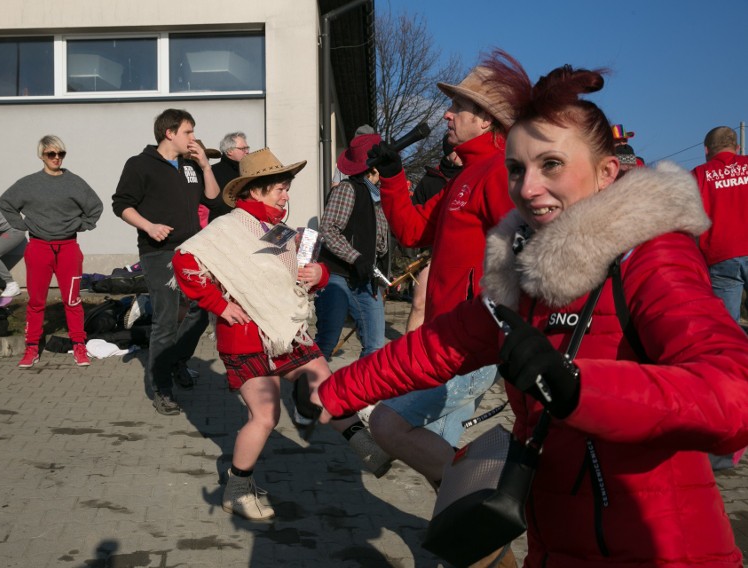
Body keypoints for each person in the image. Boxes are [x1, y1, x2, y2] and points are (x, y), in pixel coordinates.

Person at [315, 51, 748, 567]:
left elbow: (732, 392)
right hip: (552, 545)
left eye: (552, 165)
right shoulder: (523, 271)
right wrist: (333, 391)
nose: (528, 187)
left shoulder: (649, 257)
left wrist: (581, 388)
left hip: (660, 548)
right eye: (517, 169)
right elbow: (443, 343)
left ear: (607, 171)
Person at [172, 148, 390, 520]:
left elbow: (297, 273)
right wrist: (220, 305)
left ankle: (366, 444)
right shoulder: (227, 228)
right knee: (266, 416)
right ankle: (237, 489)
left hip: (286, 331)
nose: (286, 195)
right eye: (279, 189)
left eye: (286, 188)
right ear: (255, 191)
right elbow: (184, 259)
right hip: (244, 337)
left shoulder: (275, 230)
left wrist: (318, 275)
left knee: (327, 386)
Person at [363, 65, 516, 487]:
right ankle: (480, 542)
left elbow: (529, 257)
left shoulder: (499, 173)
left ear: (485, 120)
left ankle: (488, 510)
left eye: (457, 107)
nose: (447, 115)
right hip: (449, 341)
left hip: (470, 345)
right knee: (438, 456)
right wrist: (393, 176)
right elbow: (413, 232)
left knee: (390, 424)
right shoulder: (463, 177)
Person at [112, 109, 219, 416]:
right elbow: (121, 204)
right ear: (169, 133)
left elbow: (213, 200)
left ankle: (176, 360)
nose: (194, 138)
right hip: (158, 252)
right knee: (166, 318)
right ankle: (162, 388)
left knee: (204, 307)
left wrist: (204, 165)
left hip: (191, 250)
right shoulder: (140, 164)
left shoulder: (190, 165)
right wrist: (148, 226)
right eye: (189, 132)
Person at [0, 135, 103, 369]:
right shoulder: (28, 184)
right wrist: (23, 225)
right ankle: (31, 348)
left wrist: (82, 225)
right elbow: (6, 203)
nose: (56, 158)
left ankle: (79, 345)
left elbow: (95, 207)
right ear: (41, 156)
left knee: (73, 300)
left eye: (60, 154)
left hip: (68, 248)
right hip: (38, 247)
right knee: (36, 301)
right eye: (51, 154)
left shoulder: (75, 182)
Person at [692, 125, 748, 470]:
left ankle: (724, 446)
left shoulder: (700, 174)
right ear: (737, 146)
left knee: (725, 347)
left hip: (721, 257)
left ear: (707, 150)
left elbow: (690, 219)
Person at [314, 132, 389, 362]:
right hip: (338, 275)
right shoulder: (348, 189)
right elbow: (328, 229)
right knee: (327, 340)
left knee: (375, 344)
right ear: (374, 167)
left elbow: (380, 240)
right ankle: (308, 393)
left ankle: (362, 394)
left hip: (366, 278)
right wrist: (356, 258)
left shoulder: (379, 195)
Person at [405, 138, 463, 331]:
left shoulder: (469, 176)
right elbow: (413, 216)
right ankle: (409, 355)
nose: (461, 155)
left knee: (457, 308)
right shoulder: (429, 181)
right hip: (430, 253)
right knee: (420, 303)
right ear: (448, 152)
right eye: (456, 151)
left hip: (461, 253)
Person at [207, 132, 251, 222]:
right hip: (222, 225)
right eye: (243, 148)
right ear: (229, 151)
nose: (247, 151)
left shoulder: (249, 171)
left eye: (247, 148)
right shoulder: (212, 172)